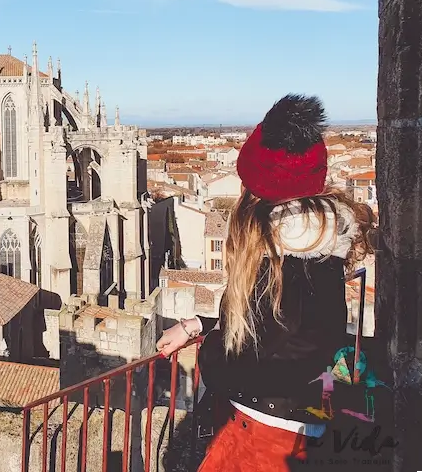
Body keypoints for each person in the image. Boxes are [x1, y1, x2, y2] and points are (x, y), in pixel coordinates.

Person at [156, 94, 374, 471]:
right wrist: (199, 324)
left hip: (265, 437)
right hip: (288, 427)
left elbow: (245, 363)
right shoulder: (311, 252)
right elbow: (272, 329)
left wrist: (207, 349)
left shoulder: (285, 263)